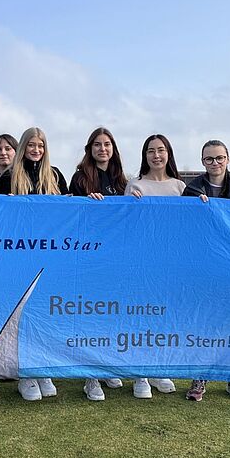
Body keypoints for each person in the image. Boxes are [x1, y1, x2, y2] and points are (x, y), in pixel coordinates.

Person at [0, 127, 68, 400]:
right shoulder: (8, 177)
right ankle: (25, 374)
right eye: (32, 145)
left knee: (45, 313)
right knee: (21, 316)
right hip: (18, 257)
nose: (36, 150)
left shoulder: (56, 175)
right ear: (23, 146)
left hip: (50, 255)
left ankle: (43, 368)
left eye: (41, 145)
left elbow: (68, 215)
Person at [181, 139, 230, 403]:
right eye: (209, 159)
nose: (215, 163)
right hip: (202, 268)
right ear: (203, 162)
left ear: (228, 159)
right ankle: (200, 375)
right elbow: (183, 229)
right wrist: (195, 211)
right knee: (204, 321)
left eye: (219, 158)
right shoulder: (191, 191)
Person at [68, 127, 127, 401]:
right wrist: (85, 203)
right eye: (97, 145)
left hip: (115, 257)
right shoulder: (80, 178)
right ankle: (89, 377)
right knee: (89, 313)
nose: (102, 149)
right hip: (89, 256)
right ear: (89, 149)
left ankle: (105, 366)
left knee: (110, 313)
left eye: (107, 144)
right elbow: (72, 215)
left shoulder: (122, 180)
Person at [125, 134, 185, 399]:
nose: (156, 155)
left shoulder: (180, 187)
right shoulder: (135, 185)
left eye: (161, 150)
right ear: (145, 155)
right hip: (142, 262)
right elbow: (127, 224)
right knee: (142, 314)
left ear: (168, 153)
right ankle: (140, 373)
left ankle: (160, 368)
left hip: (170, 262)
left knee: (164, 315)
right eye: (151, 151)